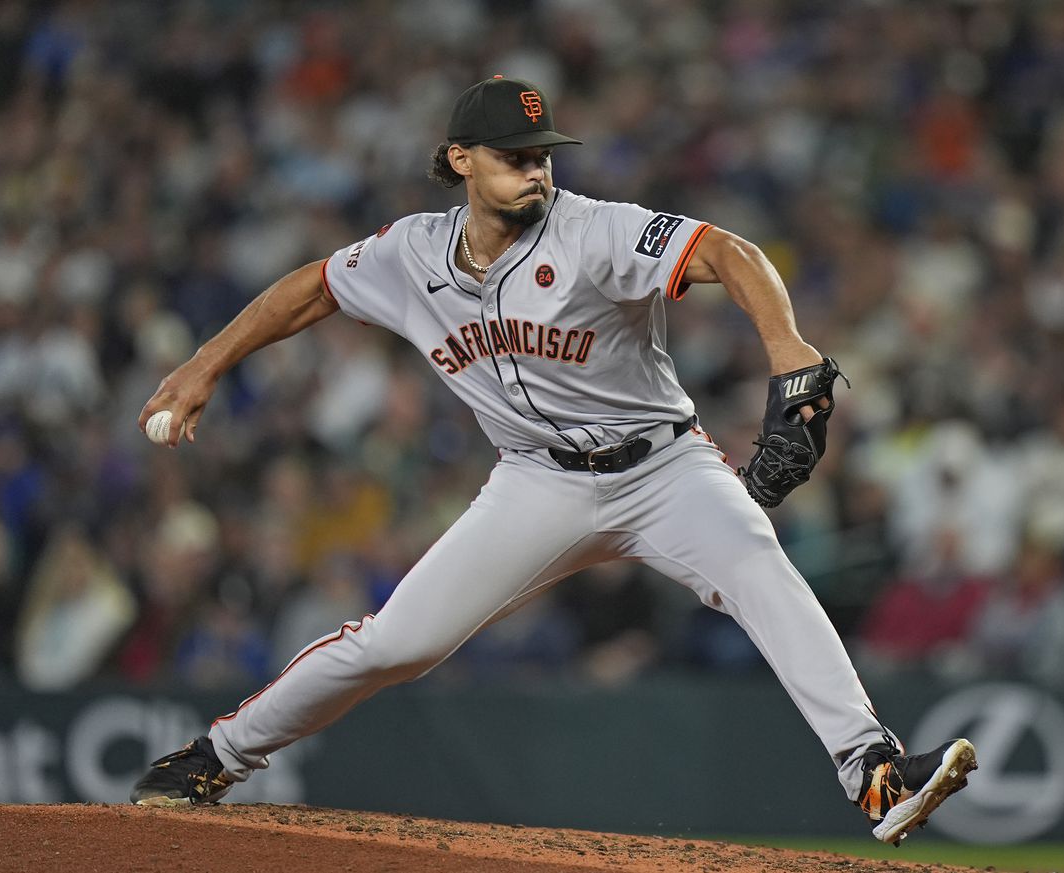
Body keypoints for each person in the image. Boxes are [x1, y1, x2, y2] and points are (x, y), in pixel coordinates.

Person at [129, 76, 976, 845]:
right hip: (535, 481)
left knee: (759, 566)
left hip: (663, 471)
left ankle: (874, 769)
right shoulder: (411, 254)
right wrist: (203, 366)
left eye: (543, 155)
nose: (536, 171)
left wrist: (788, 346)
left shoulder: (593, 231)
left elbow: (728, 251)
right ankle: (217, 755)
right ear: (460, 160)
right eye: (513, 157)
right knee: (396, 643)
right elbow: (311, 285)